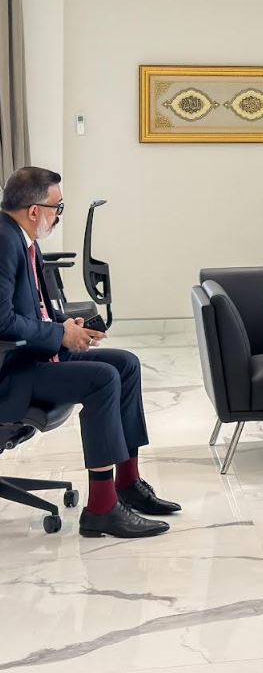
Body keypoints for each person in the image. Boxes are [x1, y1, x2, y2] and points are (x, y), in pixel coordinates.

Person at [0, 167, 179, 538]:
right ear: (34, 211)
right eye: (58, 207)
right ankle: (101, 508)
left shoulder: (22, 239)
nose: (59, 215)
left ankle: (127, 484)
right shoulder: (3, 242)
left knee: (125, 364)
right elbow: (2, 321)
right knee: (102, 378)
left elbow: (31, 310)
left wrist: (67, 326)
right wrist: (59, 335)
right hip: (12, 370)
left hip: (32, 355)